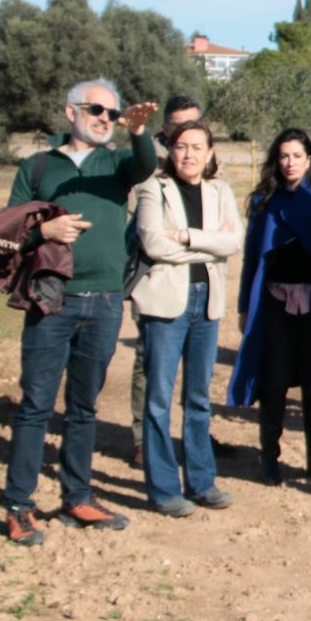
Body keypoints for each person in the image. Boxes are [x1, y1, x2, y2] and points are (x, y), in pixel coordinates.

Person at [0, 79, 157, 545]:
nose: (105, 119)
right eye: (96, 110)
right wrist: (44, 232)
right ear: (71, 112)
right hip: (52, 299)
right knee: (36, 405)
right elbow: (8, 230)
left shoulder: (117, 163)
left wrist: (139, 131)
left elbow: (146, 165)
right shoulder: (38, 165)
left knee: (84, 407)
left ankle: (77, 498)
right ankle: (19, 505)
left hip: (105, 302)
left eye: (112, 113)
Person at [131, 119, 243, 516]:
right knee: (158, 399)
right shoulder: (153, 188)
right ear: (170, 150)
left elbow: (234, 240)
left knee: (198, 399)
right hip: (166, 303)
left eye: (197, 147)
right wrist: (210, 244)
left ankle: (202, 483)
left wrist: (187, 236)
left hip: (206, 302)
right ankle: (164, 490)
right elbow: (152, 243)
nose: (189, 154)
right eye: (181, 146)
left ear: (210, 153)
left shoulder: (220, 190)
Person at [228, 129, 311, 484]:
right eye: (283, 156)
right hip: (274, 303)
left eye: (297, 156)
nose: (290, 163)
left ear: (310, 158)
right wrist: (244, 306)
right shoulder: (264, 199)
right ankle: (270, 456)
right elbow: (252, 257)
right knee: (274, 378)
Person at [130, 94, 207, 471]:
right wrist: (203, 243)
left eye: (195, 123)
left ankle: (196, 442)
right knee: (151, 364)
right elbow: (151, 236)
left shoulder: (208, 163)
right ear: (165, 129)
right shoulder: (150, 167)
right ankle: (143, 440)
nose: (188, 130)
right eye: (178, 125)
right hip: (157, 277)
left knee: (198, 376)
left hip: (200, 284)